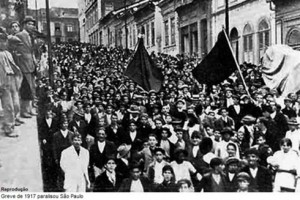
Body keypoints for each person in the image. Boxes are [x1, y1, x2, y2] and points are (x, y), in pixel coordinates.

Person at [0, 31, 22, 137]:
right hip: (3, 82)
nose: (3, 44)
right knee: (8, 106)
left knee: (15, 104)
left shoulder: (8, 53)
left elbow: (14, 67)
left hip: (11, 79)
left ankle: (10, 122)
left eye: (5, 41)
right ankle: (8, 127)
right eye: (1, 41)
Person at [15, 16, 38, 118]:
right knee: (26, 89)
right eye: (29, 24)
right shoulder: (19, 35)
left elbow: (32, 51)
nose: (32, 26)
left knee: (32, 88)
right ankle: (24, 111)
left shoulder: (31, 36)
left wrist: (34, 61)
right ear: (24, 25)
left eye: (33, 24)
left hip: (31, 65)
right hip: (23, 65)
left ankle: (30, 109)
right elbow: (13, 48)